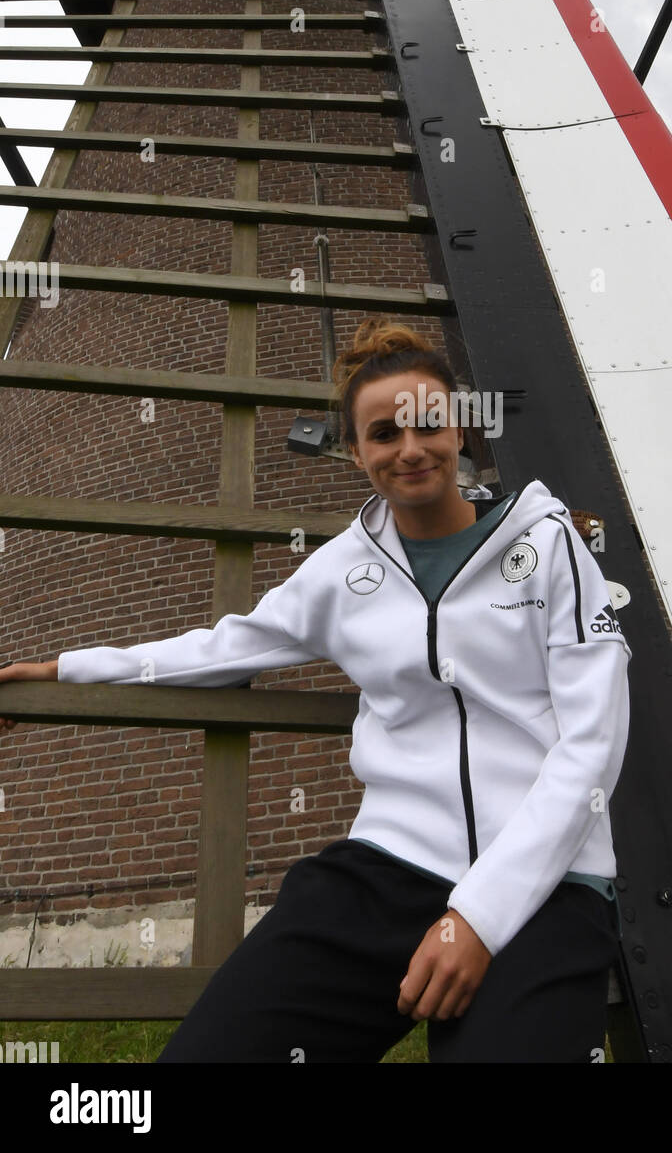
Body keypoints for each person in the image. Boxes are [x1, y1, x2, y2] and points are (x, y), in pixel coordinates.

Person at [0, 317, 632, 1063]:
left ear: (461, 430)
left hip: (545, 878)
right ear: (356, 450)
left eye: (428, 424)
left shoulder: (549, 543)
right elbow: (221, 648)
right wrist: (63, 668)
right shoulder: (340, 572)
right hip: (388, 868)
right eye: (381, 434)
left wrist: (480, 916)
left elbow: (591, 740)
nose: (409, 448)